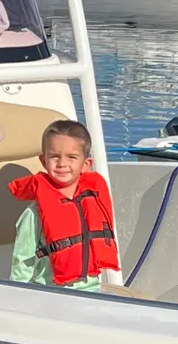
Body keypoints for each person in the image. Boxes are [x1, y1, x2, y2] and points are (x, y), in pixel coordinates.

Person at [10, 118, 120, 290]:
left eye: (72, 157)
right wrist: (18, 297)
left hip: (92, 290)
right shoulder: (33, 214)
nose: (62, 164)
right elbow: (22, 262)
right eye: (54, 156)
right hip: (51, 294)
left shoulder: (94, 202)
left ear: (86, 164)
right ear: (43, 161)